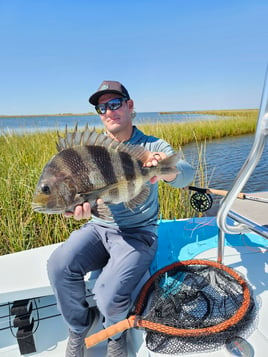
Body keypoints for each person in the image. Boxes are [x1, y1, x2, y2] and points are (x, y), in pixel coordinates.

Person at [47, 81, 194, 357]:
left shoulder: (151, 145)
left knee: (106, 294)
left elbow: (187, 174)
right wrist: (79, 208)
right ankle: (78, 328)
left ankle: (115, 333)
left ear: (130, 105)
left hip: (138, 234)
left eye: (114, 103)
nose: (108, 111)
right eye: (101, 107)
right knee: (58, 265)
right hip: (98, 229)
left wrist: (166, 169)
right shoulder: (91, 150)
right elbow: (88, 200)